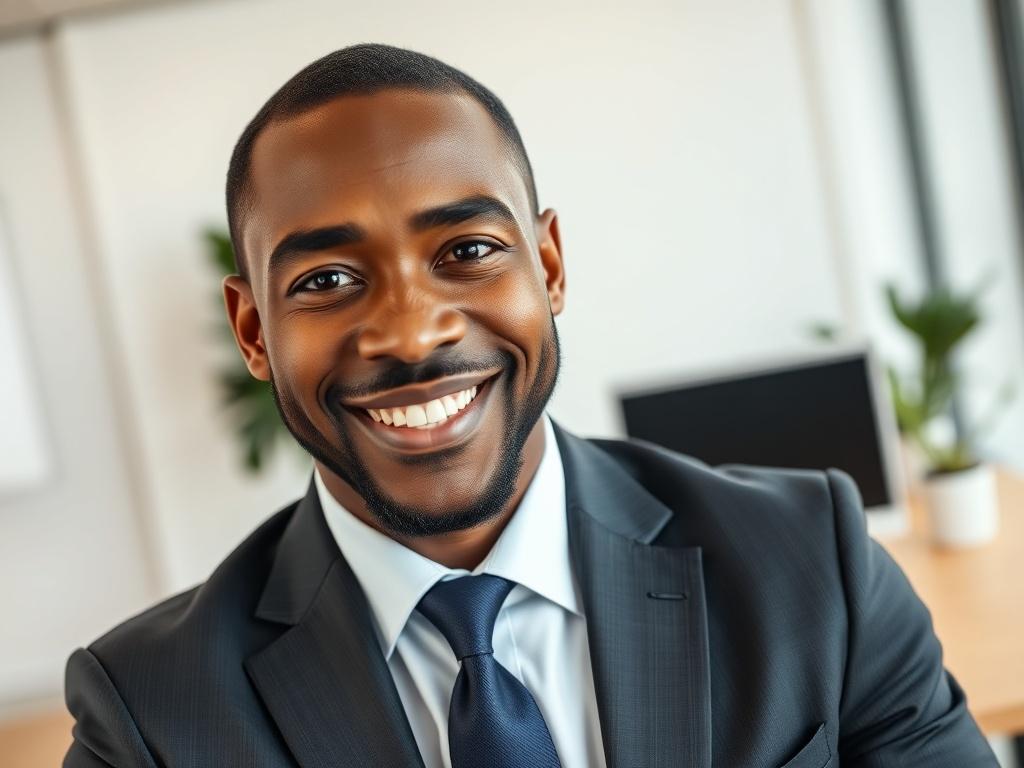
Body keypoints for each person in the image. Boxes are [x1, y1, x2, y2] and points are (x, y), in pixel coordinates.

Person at [62, 43, 997, 768]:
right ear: (254, 330)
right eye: (330, 277)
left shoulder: (812, 568)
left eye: (466, 251)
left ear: (547, 265)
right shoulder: (152, 714)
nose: (413, 334)